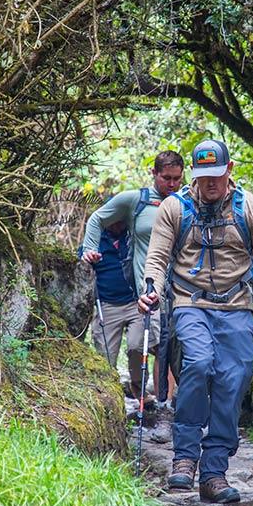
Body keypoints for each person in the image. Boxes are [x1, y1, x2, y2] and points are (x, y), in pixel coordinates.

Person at [139, 139, 253, 504]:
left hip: (237, 305)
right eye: (203, 176)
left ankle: (214, 472)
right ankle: (185, 457)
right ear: (196, 175)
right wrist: (150, 289)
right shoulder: (175, 209)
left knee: (234, 377)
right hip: (189, 303)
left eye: (217, 176)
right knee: (197, 363)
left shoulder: (251, 209)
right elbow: (157, 258)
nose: (210, 184)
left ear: (230, 170)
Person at [81, 150, 185, 405]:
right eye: (166, 178)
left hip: (182, 291)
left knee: (171, 350)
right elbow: (97, 218)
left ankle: (168, 403)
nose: (172, 185)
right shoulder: (135, 201)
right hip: (146, 292)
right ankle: (132, 400)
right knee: (141, 347)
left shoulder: (187, 201)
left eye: (177, 179)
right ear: (154, 174)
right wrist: (89, 249)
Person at [79, 221, 140, 380]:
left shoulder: (135, 235)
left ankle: (138, 385)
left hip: (136, 303)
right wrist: (87, 259)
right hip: (107, 305)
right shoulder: (94, 238)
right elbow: (80, 265)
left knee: (137, 347)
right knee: (105, 356)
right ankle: (111, 390)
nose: (116, 222)